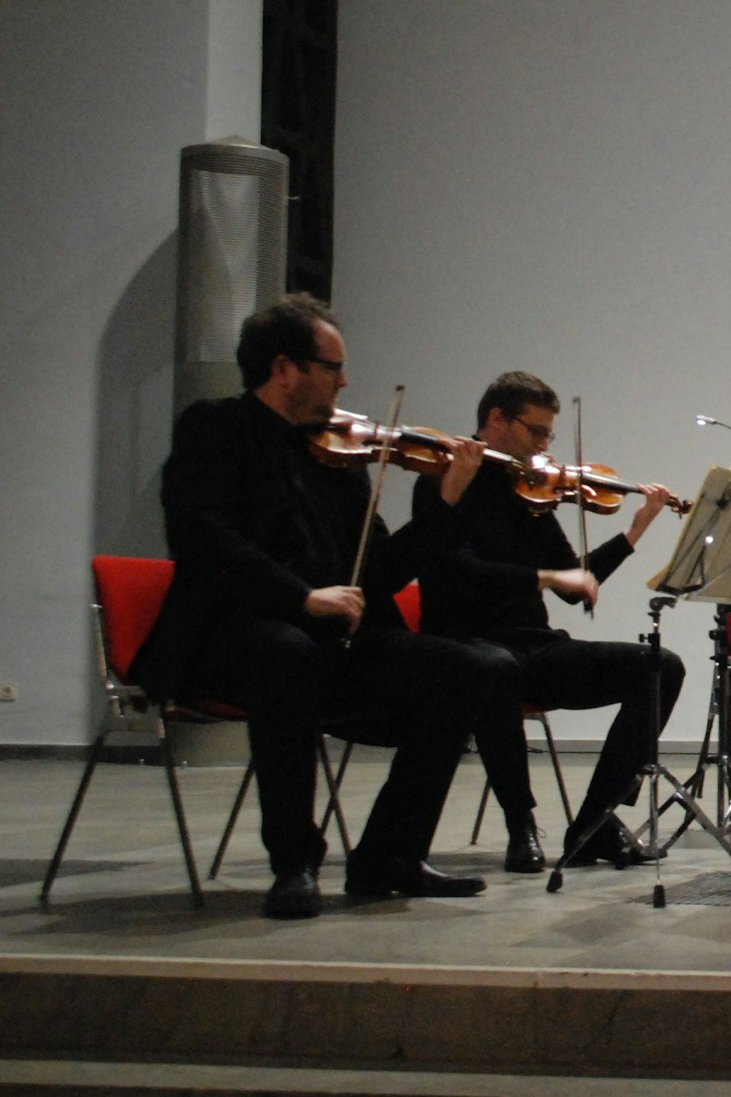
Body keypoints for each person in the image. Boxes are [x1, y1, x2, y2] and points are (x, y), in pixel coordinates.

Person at [131, 293, 512, 919]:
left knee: (474, 667)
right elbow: (203, 537)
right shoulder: (214, 428)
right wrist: (301, 597)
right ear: (284, 369)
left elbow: (377, 571)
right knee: (286, 651)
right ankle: (294, 863)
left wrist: (446, 501)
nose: (345, 381)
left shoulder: (338, 455)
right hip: (232, 639)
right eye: (333, 367)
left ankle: (389, 854)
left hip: (328, 642)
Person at [410, 372, 687, 873]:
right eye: (536, 431)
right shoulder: (441, 480)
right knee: (496, 669)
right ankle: (521, 823)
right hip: (465, 647)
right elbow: (456, 569)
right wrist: (543, 576)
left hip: (537, 647)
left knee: (659, 667)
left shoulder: (529, 491)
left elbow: (572, 581)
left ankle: (594, 823)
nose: (544, 445)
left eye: (548, 435)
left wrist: (635, 530)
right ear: (497, 420)